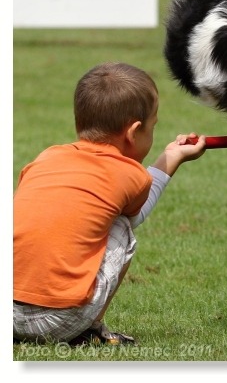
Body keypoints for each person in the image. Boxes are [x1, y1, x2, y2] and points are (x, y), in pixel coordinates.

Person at [13, 62, 207, 345]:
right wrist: (172, 158)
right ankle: (90, 330)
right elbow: (133, 215)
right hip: (57, 321)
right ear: (133, 132)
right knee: (122, 228)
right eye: (152, 127)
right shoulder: (129, 173)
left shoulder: (47, 158)